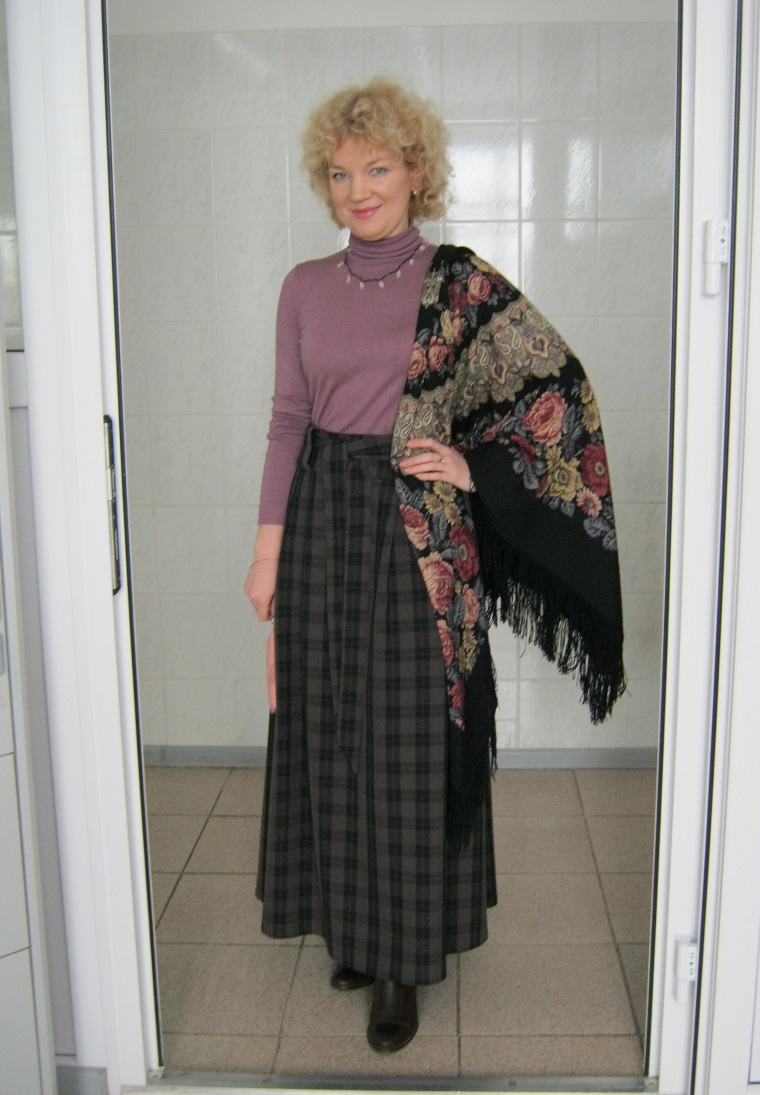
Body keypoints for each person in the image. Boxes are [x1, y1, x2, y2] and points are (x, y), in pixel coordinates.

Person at [244, 78, 625, 1054]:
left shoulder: (458, 285)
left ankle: (401, 960)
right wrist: (265, 553)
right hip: (321, 522)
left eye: (377, 167)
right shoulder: (302, 287)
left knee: (406, 738)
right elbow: (287, 421)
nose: (358, 189)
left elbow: (554, 390)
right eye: (340, 174)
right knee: (329, 726)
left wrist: (472, 467)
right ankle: (351, 927)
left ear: (415, 171)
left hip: (418, 534)